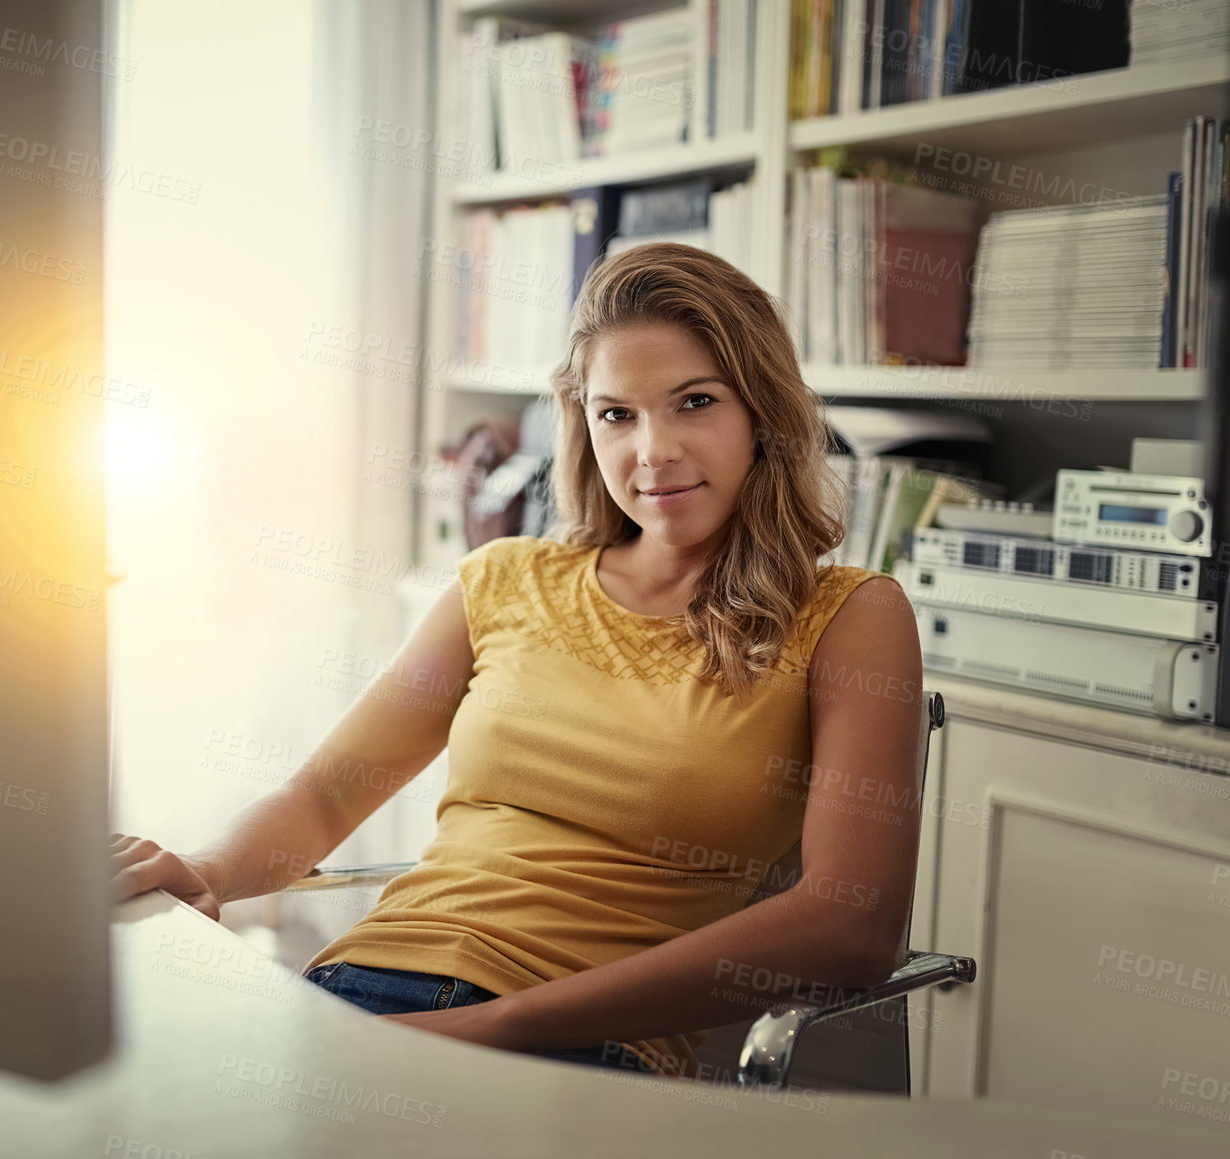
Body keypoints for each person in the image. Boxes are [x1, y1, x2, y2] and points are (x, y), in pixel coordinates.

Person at [111, 242, 924, 1079]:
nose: (652, 452)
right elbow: (320, 797)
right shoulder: (501, 579)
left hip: (577, 1046)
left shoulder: (848, 616)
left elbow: (849, 924)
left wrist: (499, 1026)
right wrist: (203, 868)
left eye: (693, 402)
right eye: (617, 414)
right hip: (359, 990)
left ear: (761, 413)